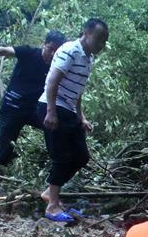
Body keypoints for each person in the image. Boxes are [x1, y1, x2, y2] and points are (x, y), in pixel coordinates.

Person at [37, 17, 108, 223]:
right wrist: (51, 112)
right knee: (62, 157)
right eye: (99, 38)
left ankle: (50, 192)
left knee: (81, 156)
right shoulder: (70, 50)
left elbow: (77, 92)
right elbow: (52, 81)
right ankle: (52, 206)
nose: (101, 44)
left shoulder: (88, 59)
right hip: (53, 107)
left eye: (104, 40)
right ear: (86, 32)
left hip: (68, 109)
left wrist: (81, 118)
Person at [0, 30, 66, 170]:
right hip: (12, 106)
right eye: (50, 48)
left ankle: (57, 166)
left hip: (34, 110)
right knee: (6, 144)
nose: (53, 53)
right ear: (44, 44)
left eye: (57, 50)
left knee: (53, 126)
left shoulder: (57, 65)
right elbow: (4, 50)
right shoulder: (29, 52)